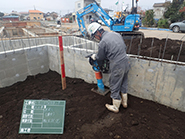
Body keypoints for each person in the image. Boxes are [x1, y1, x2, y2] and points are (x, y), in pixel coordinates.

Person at [87, 22, 130, 113]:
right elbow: (123, 48)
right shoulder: (116, 34)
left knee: (114, 84)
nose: (96, 38)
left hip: (117, 65)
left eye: (95, 36)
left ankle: (115, 106)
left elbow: (100, 58)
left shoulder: (103, 42)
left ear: (98, 32)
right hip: (126, 61)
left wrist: (95, 57)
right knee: (124, 82)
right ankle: (124, 103)